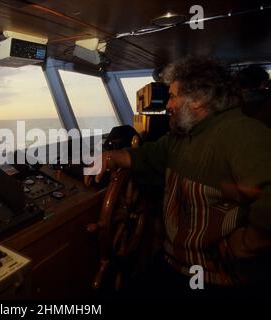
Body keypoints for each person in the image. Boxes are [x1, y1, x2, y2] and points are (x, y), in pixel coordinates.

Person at [86, 57, 271, 299]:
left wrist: (247, 244)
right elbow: (145, 156)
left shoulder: (243, 133)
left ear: (197, 99)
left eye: (173, 96)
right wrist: (109, 155)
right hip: (174, 261)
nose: (168, 105)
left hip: (216, 277)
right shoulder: (180, 136)